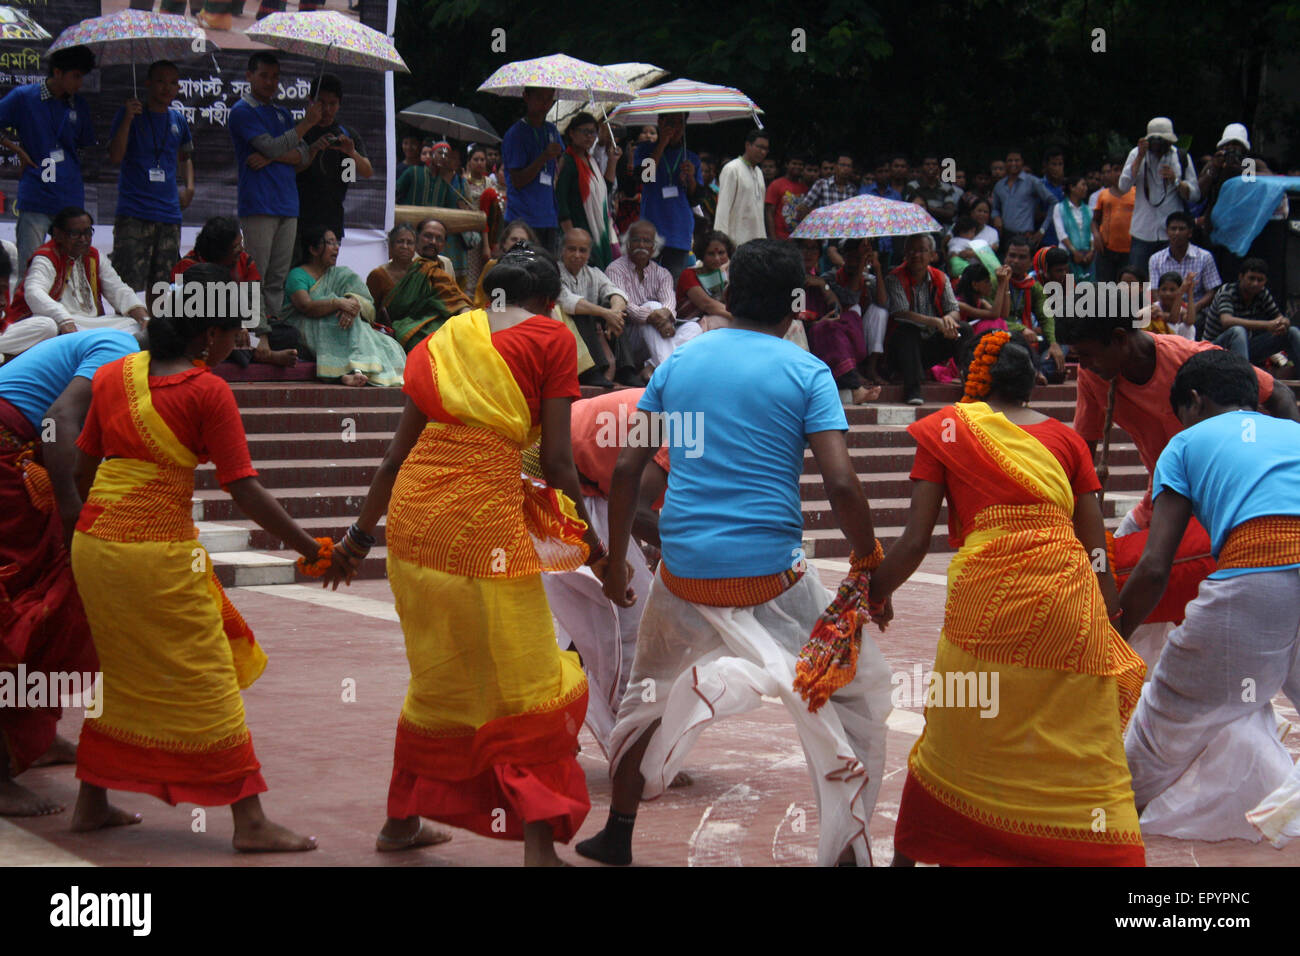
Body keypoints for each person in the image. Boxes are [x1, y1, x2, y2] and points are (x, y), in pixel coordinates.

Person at [575, 240, 893, 867]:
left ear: (730, 297)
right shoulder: (808, 372)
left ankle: (617, 832)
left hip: (685, 565)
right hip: (771, 572)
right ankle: (849, 848)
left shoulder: (678, 365)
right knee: (855, 692)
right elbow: (841, 483)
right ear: (792, 311)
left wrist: (614, 563)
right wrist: (869, 563)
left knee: (646, 697)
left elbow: (630, 468)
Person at [321, 244, 613, 866]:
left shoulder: (445, 341)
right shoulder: (550, 339)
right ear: (547, 304)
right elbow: (560, 463)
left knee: (436, 675)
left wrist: (356, 538)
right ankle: (539, 850)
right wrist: (599, 552)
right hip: (481, 527)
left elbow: (394, 459)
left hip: (413, 525)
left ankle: (400, 823)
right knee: (528, 680)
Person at [69, 263, 328, 850]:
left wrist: (107, 528)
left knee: (121, 671)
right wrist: (309, 548)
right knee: (207, 676)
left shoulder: (114, 377)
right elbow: (244, 487)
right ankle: (249, 821)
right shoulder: (207, 389)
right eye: (233, 332)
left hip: (97, 544)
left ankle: (92, 801)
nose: (237, 342)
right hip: (155, 553)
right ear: (206, 336)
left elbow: (83, 469)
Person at [873, 332, 1146, 866]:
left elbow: (911, 542)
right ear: (1032, 386)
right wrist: (1107, 623)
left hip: (987, 608)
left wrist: (873, 595)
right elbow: (1095, 551)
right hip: (1068, 605)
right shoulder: (1068, 442)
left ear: (977, 381)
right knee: (1079, 748)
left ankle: (915, 855)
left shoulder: (945, 429)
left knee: (956, 737)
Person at [1117, 349, 1300, 842]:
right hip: (1277, 577)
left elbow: (1155, 566)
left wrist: (1111, 640)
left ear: (1193, 401)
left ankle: (1108, 816)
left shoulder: (1184, 443)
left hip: (1257, 576)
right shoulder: (1296, 432)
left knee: (1162, 722)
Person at [0, 328, 144, 816]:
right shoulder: (122, 351)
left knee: (49, 601)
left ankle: (33, 735)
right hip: (9, 457)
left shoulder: (125, 361)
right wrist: (69, 513)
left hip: (20, 458)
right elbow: (57, 419)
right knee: (22, 611)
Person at [540, 388, 671, 755]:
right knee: (632, 624)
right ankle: (634, 749)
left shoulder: (688, 407)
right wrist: (691, 555)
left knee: (585, 627)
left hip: (571, 481)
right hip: (569, 490)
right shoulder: (686, 426)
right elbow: (635, 507)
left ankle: (555, 728)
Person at [229, 52, 326, 355]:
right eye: (264, 76)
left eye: (275, 77)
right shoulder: (242, 111)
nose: (271, 83)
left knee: (277, 278)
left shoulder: (282, 114)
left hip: (288, 203)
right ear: (249, 75)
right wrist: (305, 127)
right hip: (259, 203)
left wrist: (272, 154)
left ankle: (270, 334)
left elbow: (304, 157)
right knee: (255, 272)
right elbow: (278, 145)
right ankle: (256, 338)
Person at [0, 45, 96, 280]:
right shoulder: (24, 97)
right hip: (36, 196)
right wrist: (19, 151)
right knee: (31, 268)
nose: (79, 83)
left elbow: (85, 145)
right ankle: (27, 315)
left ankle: (66, 315)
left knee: (69, 271)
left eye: (82, 77)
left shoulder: (79, 105)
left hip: (70, 198)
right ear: (57, 72)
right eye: (75, 76)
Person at [106, 60, 194, 313]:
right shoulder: (130, 115)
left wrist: (189, 187)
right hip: (134, 212)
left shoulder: (177, 119)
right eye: (160, 81)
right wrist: (127, 120)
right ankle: (124, 339)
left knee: (162, 287)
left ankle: (155, 338)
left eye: (173, 82)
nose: (167, 88)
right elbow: (115, 156)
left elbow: (186, 156)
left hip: (168, 214)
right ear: (148, 83)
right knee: (126, 284)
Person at [0, 208, 147, 357]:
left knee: (132, 325)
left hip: (89, 324)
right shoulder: (46, 257)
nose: (83, 239)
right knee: (48, 326)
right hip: (62, 322)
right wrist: (63, 319)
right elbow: (34, 292)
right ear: (57, 234)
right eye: (75, 234)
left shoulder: (94, 256)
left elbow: (117, 288)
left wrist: (144, 318)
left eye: (88, 233)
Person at [281, 226, 406, 387]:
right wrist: (338, 303)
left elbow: (363, 300)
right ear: (313, 249)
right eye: (330, 243)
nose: (336, 248)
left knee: (385, 342)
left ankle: (356, 370)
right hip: (304, 325)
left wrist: (351, 305)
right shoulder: (297, 275)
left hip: (339, 324)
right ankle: (354, 371)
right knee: (337, 322)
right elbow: (306, 306)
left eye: (337, 242)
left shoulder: (341, 275)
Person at [172, 215, 298, 369]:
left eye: (241, 243)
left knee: (288, 334)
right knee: (217, 337)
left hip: (240, 328)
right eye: (236, 246)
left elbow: (255, 300)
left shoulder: (244, 260)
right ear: (220, 250)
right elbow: (188, 313)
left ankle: (257, 348)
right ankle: (263, 354)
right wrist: (235, 327)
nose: (241, 249)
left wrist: (261, 335)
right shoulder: (187, 265)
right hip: (208, 328)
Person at [605, 220, 701, 380]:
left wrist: (663, 315)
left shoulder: (662, 274)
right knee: (652, 306)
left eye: (647, 241)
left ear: (654, 247)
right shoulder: (615, 269)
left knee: (694, 328)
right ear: (627, 244)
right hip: (628, 339)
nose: (641, 244)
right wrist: (654, 316)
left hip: (657, 339)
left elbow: (670, 303)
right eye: (636, 240)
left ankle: (652, 367)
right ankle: (668, 374)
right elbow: (626, 306)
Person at [293, 73, 372, 264]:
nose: (327, 109)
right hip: (297, 217)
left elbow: (366, 171)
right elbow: (287, 169)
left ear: (339, 104)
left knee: (327, 275)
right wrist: (312, 150)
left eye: (332, 103)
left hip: (332, 217)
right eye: (321, 102)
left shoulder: (347, 134)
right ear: (310, 101)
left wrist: (351, 153)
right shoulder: (299, 130)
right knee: (295, 273)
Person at [886, 234, 970, 405]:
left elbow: (954, 310)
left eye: (922, 250)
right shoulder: (894, 277)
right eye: (911, 251)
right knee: (908, 331)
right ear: (905, 255)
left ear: (933, 255)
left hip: (928, 345)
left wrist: (948, 320)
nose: (916, 255)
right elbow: (901, 313)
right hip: (900, 349)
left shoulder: (940, 277)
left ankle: (972, 384)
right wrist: (936, 322)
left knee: (964, 329)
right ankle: (912, 390)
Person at [1118, 117, 1200, 268]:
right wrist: (1140, 158)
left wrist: (1176, 180)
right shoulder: (1137, 154)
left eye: (1164, 142)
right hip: (1142, 230)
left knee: (1169, 278)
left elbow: (1195, 195)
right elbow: (1123, 187)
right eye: (1156, 143)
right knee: (1137, 279)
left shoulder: (1181, 157)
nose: (1160, 147)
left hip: (1171, 232)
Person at [556, 227, 632, 386]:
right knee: (581, 313)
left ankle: (626, 370)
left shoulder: (594, 273)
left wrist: (614, 313)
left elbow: (616, 292)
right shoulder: (554, 272)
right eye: (572, 249)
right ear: (562, 250)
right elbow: (569, 302)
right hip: (566, 332)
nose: (577, 255)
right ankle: (591, 372)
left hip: (594, 329)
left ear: (589, 253)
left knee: (619, 313)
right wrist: (606, 313)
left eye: (582, 250)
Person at [383, 218, 473, 351]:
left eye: (439, 239)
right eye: (428, 236)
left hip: (442, 322)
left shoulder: (446, 263)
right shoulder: (399, 264)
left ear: (443, 244)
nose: (433, 242)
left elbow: (453, 298)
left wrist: (467, 314)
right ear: (417, 237)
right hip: (409, 325)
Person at [634, 114, 701, 281]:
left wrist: (691, 178)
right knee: (646, 281)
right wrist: (662, 143)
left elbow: (696, 199)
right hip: (651, 227)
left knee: (673, 284)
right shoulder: (645, 150)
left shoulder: (690, 157)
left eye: (680, 124)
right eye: (670, 123)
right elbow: (645, 178)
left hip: (679, 229)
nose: (675, 128)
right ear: (659, 122)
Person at [991, 234, 1065, 380]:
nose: (1015, 261)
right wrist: (1020, 329)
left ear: (1031, 262)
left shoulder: (1033, 286)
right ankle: (1037, 372)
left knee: (1061, 343)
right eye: (1012, 255)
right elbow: (991, 317)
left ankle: (1035, 371)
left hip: (1030, 338)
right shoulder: (993, 281)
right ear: (1004, 257)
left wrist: (1053, 343)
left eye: (1022, 257)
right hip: (1001, 334)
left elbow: (1046, 317)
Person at [1204, 258, 1300, 371]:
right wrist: (1267, 325)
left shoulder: (1262, 294)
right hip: (1214, 349)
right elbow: (1226, 321)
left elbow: (1278, 317)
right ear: (1241, 277)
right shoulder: (1227, 291)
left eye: (1260, 280)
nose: (1255, 283)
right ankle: (1245, 381)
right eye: (1251, 278)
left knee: (1292, 332)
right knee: (1238, 331)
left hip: (1244, 349)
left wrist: (1284, 322)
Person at [501, 87, 563, 252]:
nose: (545, 103)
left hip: (548, 217)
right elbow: (518, 181)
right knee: (521, 268)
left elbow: (560, 161)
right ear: (526, 97)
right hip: (522, 219)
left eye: (549, 98)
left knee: (547, 270)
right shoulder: (515, 134)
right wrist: (544, 156)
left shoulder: (551, 130)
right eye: (540, 97)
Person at [556, 113, 618, 269]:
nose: (590, 137)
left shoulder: (591, 161)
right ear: (572, 133)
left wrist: (612, 161)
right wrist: (571, 238)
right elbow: (561, 202)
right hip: (579, 232)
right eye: (585, 132)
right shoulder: (568, 162)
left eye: (593, 132)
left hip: (598, 229)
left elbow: (605, 191)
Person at [1147, 211, 1221, 314]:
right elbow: (1154, 291)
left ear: (1190, 233)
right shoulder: (1155, 259)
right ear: (1167, 232)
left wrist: (1193, 308)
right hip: (1165, 311)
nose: (1177, 233)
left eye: (1181, 229)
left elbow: (1211, 291)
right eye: (1173, 229)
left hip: (1196, 310)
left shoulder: (1205, 257)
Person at [712, 130, 769, 246]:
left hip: (758, 242)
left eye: (766, 149)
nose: (763, 152)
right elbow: (723, 208)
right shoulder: (732, 169)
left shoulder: (759, 172)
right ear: (748, 145)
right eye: (759, 147)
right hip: (737, 242)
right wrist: (721, 243)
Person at [462, 144, 505, 291]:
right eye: (476, 159)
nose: (480, 162)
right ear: (469, 162)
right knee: (471, 270)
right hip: (470, 231)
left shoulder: (490, 183)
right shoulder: (464, 182)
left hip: (488, 229)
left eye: (482, 159)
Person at [990, 149, 1056, 243]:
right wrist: (996, 217)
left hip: (1025, 236)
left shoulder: (1032, 182)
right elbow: (995, 208)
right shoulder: (999, 186)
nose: (1013, 163)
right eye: (1010, 160)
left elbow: (1054, 202)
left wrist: (1042, 230)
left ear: (1022, 162)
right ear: (1005, 163)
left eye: (1017, 160)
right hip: (1004, 236)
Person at [1092, 158, 1136, 283]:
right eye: (1116, 170)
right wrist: (1096, 235)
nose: (1119, 174)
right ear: (1110, 173)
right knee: (1105, 288)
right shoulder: (1103, 194)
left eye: (1122, 170)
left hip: (1129, 251)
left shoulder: (1136, 193)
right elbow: (1095, 220)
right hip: (1106, 250)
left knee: (1126, 289)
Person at [675, 230, 733, 322]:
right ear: (702, 255)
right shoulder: (689, 275)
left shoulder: (731, 274)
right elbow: (707, 305)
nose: (717, 258)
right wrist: (740, 319)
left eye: (721, 253)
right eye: (711, 254)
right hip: (690, 325)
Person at [792, 152, 859, 226]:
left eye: (849, 166)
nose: (846, 168)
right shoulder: (821, 184)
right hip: (822, 232)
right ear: (835, 166)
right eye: (842, 165)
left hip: (844, 233)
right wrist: (820, 214)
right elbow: (802, 208)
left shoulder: (853, 190)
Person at [1052, 173, 1095, 281]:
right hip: (1067, 254)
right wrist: (1074, 252)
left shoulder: (1088, 209)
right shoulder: (1059, 208)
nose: (1086, 188)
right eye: (1083, 185)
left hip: (1087, 255)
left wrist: (1091, 251)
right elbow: (1061, 234)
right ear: (1072, 187)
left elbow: (1092, 233)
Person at [367, 223, 418, 310]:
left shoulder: (422, 272)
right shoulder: (378, 275)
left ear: (415, 247)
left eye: (409, 243)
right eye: (400, 241)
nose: (405, 246)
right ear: (391, 245)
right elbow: (371, 309)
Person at [1136, 271, 1198, 339]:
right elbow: (1173, 319)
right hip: (1156, 344)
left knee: (1188, 327)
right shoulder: (1154, 307)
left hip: (1175, 345)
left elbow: (1190, 321)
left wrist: (1189, 292)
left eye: (1172, 290)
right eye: (1164, 289)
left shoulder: (1182, 310)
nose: (1167, 293)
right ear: (1158, 291)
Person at [954, 262, 1010, 336]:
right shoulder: (959, 304)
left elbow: (1003, 315)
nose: (990, 284)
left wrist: (1006, 281)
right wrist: (1001, 284)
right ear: (975, 285)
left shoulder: (980, 302)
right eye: (986, 281)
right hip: (963, 340)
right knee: (989, 324)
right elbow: (994, 315)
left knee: (999, 321)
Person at [904, 155, 958, 227]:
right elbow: (911, 210)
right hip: (919, 225)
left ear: (939, 168)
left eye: (934, 164)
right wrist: (940, 210)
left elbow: (950, 213)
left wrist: (925, 208)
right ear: (921, 167)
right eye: (927, 164)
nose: (931, 167)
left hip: (941, 227)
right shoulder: (912, 186)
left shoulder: (947, 188)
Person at [764, 154, 806, 241]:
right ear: (787, 165)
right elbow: (769, 213)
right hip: (780, 238)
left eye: (800, 164)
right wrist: (773, 238)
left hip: (799, 239)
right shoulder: (776, 185)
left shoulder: (805, 188)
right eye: (794, 163)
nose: (797, 166)